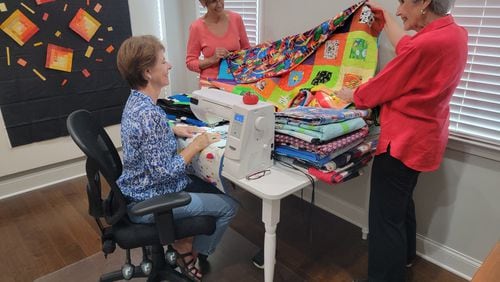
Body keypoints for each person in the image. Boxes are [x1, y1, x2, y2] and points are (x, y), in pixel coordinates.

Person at [335, 0, 468, 281]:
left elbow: (384, 84)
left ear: (424, 3)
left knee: (385, 219)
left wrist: (353, 95)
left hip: (403, 141)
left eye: (402, 2)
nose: (398, 10)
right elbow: (409, 50)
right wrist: (387, 20)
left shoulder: (426, 45)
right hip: (425, 140)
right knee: (401, 202)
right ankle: (406, 256)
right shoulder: (454, 34)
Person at [116, 35, 239, 281]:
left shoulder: (137, 103)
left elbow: (147, 136)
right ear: (148, 72)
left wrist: (172, 129)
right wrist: (196, 145)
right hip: (152, 201)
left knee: (216, 190)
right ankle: (191, 254)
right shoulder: (150, 116)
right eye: (164, 61)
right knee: (229, 207)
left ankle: (184, 241)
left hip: (138, 190)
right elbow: (165, 172)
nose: (170, 65)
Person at [186, 0, 250, 85]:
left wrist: (265, 50)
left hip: (236, 81)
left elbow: (247, 51)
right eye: (213, 1)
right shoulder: (196, 27)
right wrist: (211, 60)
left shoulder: (236, 19)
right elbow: (190, 62)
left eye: (220, 0)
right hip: (210, 84)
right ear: (204, 3)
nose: (219, 4)